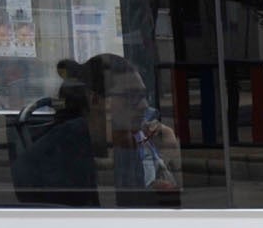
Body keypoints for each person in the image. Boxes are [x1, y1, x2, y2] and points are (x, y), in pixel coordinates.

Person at [12, 52, 180, 207]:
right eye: (131, 97)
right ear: (95, 100)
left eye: (144, 96)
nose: (143, 106)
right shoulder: (62, 153)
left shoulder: (127, 143)